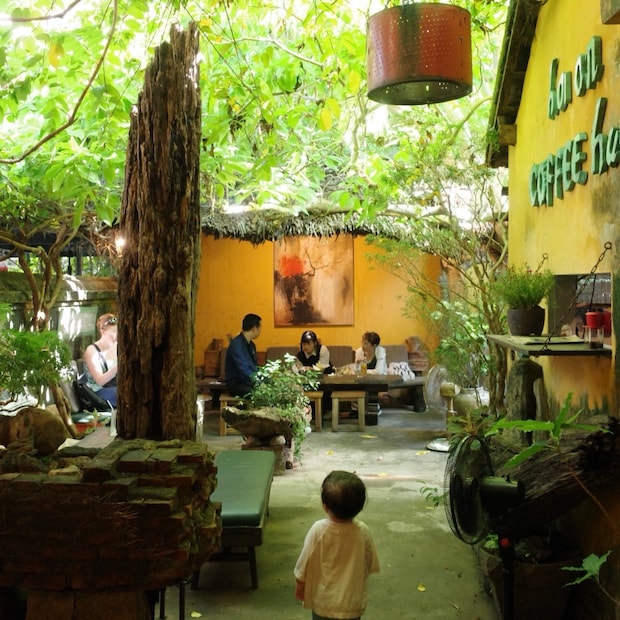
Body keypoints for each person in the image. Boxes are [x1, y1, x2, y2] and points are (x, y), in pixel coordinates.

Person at [294, 470, 379, 620]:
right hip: (351, 604)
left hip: (323, 603)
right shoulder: (362, 531)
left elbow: (303, 565)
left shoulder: (318, 530)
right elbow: (369, 562)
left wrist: (300, 587)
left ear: (325, 506)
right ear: (360, 507)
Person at [82, 313, 118, 407]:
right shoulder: (92, 351)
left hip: (114, 387)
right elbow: (100, 380)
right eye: (113, 333)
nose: (116, 336)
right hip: (97, 393)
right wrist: (118, 366)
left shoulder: (117, 347)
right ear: (103, 331)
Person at [225, 313, 262, 397]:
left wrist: (263, 379)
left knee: (269, 390)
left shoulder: (251, 345)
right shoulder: (236, 344)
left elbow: (254, 367)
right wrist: (258, 381)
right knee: (261, 393)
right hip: (237, 384)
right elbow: (243, 368)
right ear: (254, 328)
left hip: (248, 382)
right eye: (259, 328)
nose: (260, 331)